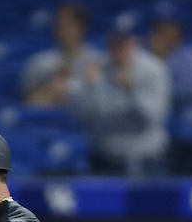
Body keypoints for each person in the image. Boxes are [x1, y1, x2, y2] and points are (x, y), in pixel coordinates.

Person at [69, 20, 171, 176]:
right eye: (115, 42)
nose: (119, 48)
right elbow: (79, 114)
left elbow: (153, 116)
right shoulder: (97, 67)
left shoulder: (154, 69)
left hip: (144, 160)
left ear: (135, 42)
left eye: (124, 42)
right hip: (102, 159)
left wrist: (132, 90)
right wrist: (90, 88)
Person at [149, 6, 192, 174]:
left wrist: (160, 63)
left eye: (167, 28)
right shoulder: (145, 59)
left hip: (188, 136)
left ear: (179, 31)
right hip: (155, 137)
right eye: (158, 28)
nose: (161, 33)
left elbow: (189, 92)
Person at [20, 2, 103, 108]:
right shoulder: (39, 62)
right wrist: (51, 90)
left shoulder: (100, 61)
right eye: (59, 25)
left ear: (82, 27)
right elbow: (28, 102)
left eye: (69, 25)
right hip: (50, 114)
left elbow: (107, 102)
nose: (63, 30)